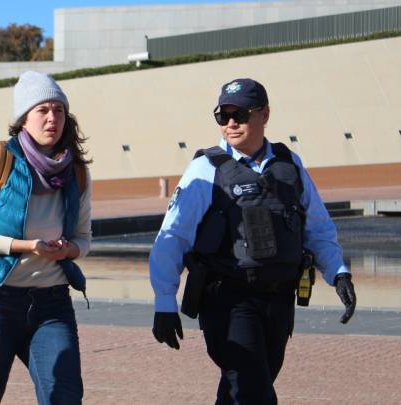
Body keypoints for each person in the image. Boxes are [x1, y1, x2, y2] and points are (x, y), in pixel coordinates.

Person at [149, 78, 357, 404]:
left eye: (241, 114)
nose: (231, 123)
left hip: (279, 302)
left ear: (265, 114)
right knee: (253, 392)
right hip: (227, 301)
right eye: (223, 116)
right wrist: (165, 301)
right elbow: (172, 236)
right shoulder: (205, 169)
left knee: (240, 391)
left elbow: (317, 228)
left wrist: (338, 272)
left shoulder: (290, 165)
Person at [0, 70, 92, 405]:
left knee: (65, 397)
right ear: (23, 119)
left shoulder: (77, 171)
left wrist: (69, 250)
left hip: (52, 303)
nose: (51, 118)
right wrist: (24, 246)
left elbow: (84, 238)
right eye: (42, 110)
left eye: (58, 110)